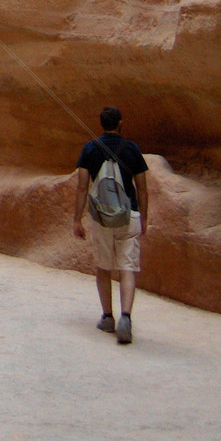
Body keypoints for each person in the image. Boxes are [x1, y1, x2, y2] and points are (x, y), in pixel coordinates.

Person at [73, 106, 149, 344]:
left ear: (101, 123)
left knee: (103, 268)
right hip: (129, 215)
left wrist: (77, 219)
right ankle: (126, 316)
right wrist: (144, 217)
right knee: (128, 267)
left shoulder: (90, 148)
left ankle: (108, 317)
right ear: (120, 123)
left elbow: (82, 187)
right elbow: (143, 188)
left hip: (102, 218)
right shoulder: (133, 149)